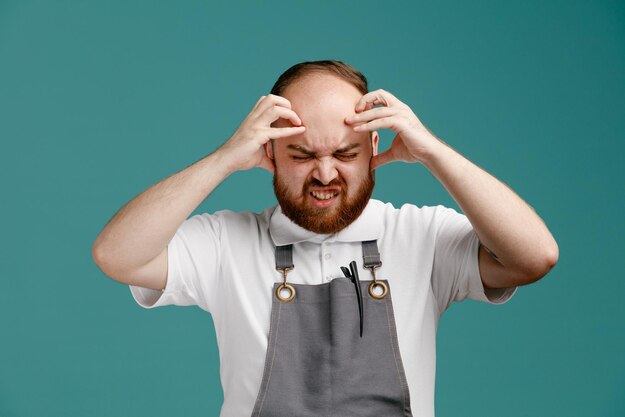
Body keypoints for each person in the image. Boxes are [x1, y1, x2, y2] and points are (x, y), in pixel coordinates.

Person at [92, 60, 559, 417]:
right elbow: (116, 256)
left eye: (345, 152)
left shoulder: (421, 236)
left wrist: (433, 151)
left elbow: (534, 256)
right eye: (301, 153)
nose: (325, 174)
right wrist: (223, 158)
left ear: (374, 147)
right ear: (269, 150)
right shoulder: (225, 243)